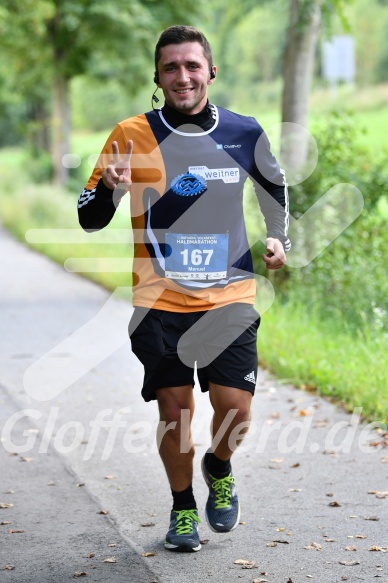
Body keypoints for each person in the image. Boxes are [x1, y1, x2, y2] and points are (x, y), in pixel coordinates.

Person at [78, 25, 290, 553]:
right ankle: (182, 510)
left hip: (230, 295)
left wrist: (279, 237)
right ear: (158, 76)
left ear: (211, 71)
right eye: (171, 67)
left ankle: (218, 465)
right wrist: (107, 188)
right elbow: (88, 219)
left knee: (235, 408)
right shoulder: (130, 135)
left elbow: (274, 186)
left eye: (192, 65)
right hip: (160, 300)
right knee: (174, 411)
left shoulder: (244, 132)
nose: (183, 76)